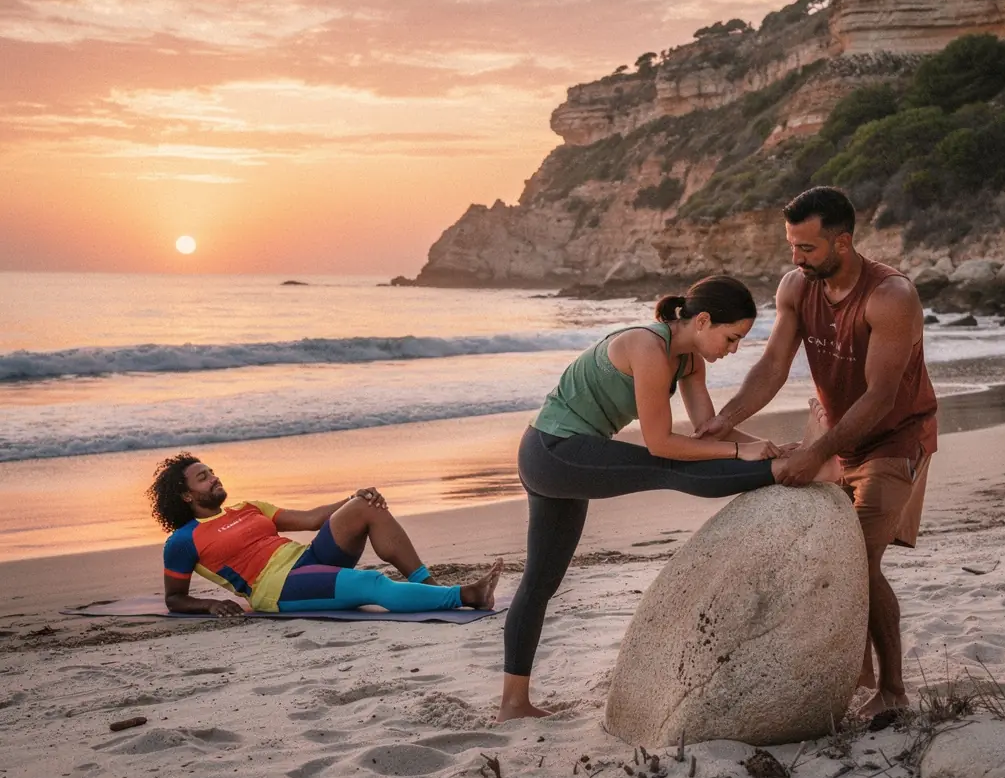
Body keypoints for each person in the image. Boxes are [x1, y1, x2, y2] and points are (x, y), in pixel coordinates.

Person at [498, 275, 840, 722]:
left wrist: (782, 447)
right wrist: (753, 455)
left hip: (561, 455)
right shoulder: (648, 349)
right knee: (667, 468)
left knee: (540, 583)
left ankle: (513, 705)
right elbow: (662, 444)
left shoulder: (688, 363)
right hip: (554, 452)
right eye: (732, 337)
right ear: (702, 320)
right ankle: (783, 474)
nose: (733, 349)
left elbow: (707, 431)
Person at [695, 187, 937, 720]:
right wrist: (724, 421)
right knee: (836, 554)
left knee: (859, 558)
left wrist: (815, 452)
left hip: (897, 437)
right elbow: (774, 365)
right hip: (840, 437)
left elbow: (882, 395)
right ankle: (861, 675)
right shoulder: (796, 287)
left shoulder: (890, 297)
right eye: (791, 245)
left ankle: (893, 691)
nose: (795, 258)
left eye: (806, 248)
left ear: (842, 242)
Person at [147, 453, 502, 617]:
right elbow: (174, 599)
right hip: (275, 586)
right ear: (186, 496)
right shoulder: (183, 541)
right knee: (371, 585)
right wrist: (210, 604)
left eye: (212, 471)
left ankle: (427, 584)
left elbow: (316, 519)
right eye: (203, 478)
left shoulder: (249, 507)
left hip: (306, 559)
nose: (214, 478)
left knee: (365, 506)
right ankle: (466, 595)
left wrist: (356, 496)